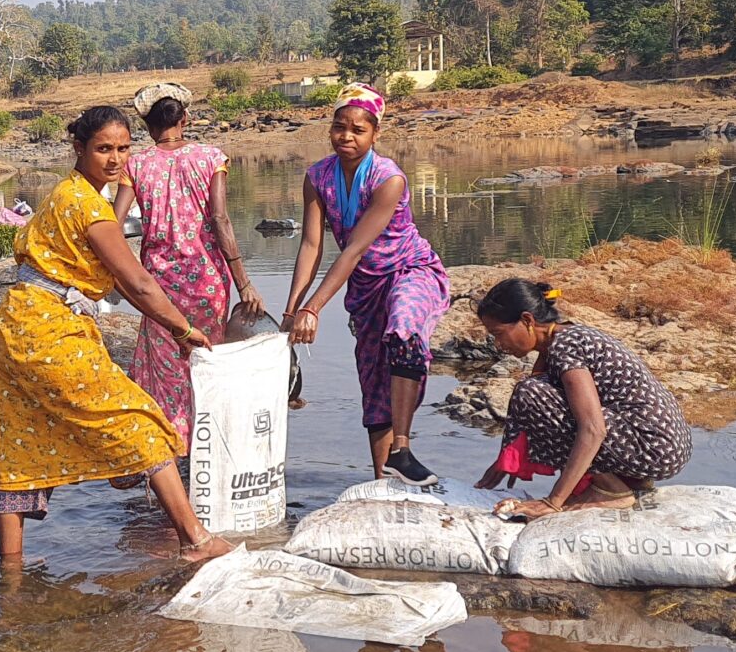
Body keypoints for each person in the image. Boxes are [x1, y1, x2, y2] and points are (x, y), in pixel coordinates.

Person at [0, 105, 230, 562]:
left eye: (123, 148)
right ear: (79, 148)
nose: (115, 159)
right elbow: (137, 282)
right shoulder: (89, 206)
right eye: (103, 149)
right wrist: (183, 329)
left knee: (21, 441)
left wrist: (166, 321)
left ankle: (11, 571)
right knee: (141, 421)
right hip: (49, 330)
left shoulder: (64, 193)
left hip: (14, 326)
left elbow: (120, 282)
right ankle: (195, 541)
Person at [284, 85, 450, 487]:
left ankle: (402, 449)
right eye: (339, 127)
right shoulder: (318, 177)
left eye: (358, 130)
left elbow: (356, 247)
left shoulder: (387, 178)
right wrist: (292, 311)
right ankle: (382, 480)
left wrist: (314, 307)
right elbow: (311, 245)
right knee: (374, 380)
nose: (347, 137)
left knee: (404, 329)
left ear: (375, 133)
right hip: (364, 288)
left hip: (409, 271)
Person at [114, 81, 262, 435]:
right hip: (208, 282)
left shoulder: (135, 165)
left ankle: (172, 442)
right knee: (204, 363)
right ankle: (205, 444)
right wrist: (244, 283)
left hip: (158, 286)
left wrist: (119, 277)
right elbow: (220, 220)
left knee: (167, 369)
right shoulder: (212, 158)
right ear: (185, 119)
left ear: (148, 125)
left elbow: (113, 225)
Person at [472, 277, 692, 514]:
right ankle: (627, 480)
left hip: (655, 446)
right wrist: (508, 456)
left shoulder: (566, 345)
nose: (498, 344)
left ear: (527, 320)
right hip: (666, 445)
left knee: (531, 393)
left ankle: (610, 490)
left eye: (499, 333)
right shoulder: (563, 337)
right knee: (532, 390)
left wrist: (553, 501)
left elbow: (593, 429)